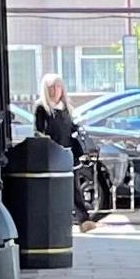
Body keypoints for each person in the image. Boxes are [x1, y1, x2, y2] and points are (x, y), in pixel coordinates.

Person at [34, 74, 98, 228]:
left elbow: (69, 129)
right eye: (51, 87)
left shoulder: (65, 108)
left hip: (68, 154)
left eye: (58, 87)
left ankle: (84, 220)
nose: (55, 90)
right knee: (53, 189)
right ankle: (53, 221)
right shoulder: (42, 108)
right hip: (52, 155)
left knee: (73, 188)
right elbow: (38, 131)